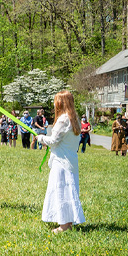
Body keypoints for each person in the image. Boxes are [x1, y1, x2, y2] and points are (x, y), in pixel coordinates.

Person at [34, 90, 85, 234]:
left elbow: (53, 141)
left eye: (56, 101)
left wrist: (40, 138)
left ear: (60, 103)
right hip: (70, 160)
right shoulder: (74, 118)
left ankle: (63, 225)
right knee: (68, 190)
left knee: (61, 191)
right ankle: (67, 223)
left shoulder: (63, 120)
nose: (55, 104)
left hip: (61, 162)